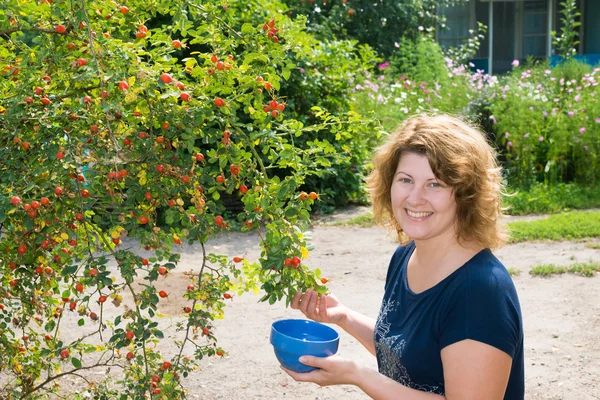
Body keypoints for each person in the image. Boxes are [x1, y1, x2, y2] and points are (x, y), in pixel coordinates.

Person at [282, 114, 524, 399]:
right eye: (406, 180)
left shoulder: (480, 293)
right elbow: (409, 354)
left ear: (466, 194)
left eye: (435, 184)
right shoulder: (405, 257)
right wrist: (344, 317)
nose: (415, 198)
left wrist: (359, 375)